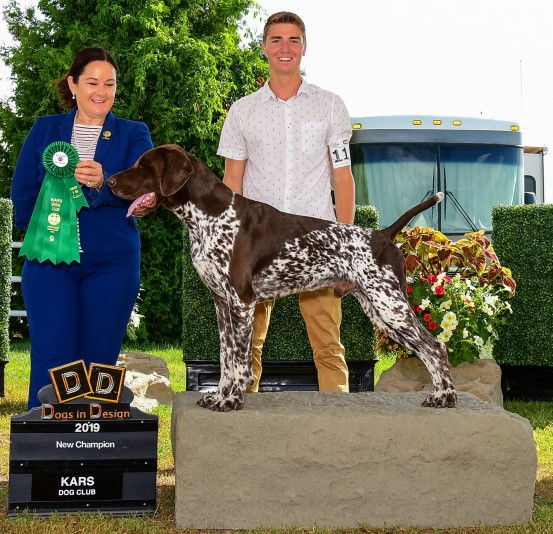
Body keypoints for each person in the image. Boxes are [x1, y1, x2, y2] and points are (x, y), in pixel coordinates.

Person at [217, 11, 356, 393]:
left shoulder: (330, 106)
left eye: (293, 40)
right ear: (263, 47)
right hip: (256, 242)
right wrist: (231, 248)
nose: (285, 48)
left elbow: (342, 178)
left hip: (317, 240)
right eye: (276, 40)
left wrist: (345, 248)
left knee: (328, 346)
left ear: (304, 48)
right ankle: (243, 425)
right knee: (246, 345)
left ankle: (337, 431)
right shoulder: (242, 110)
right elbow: (232, 183)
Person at [11, 47, 154, 408]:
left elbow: (149, 192)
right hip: (49, 265)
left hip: (113, 266)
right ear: (73, 84)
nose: (101, 91)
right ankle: (47, 455)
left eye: (110, 83)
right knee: (51, 359)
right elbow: (23, 192)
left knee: (99, 361)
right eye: (92, 82)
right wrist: (46, 233)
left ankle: (97, 448)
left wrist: (106, 182)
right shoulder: (45, 128)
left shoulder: (134, 133)